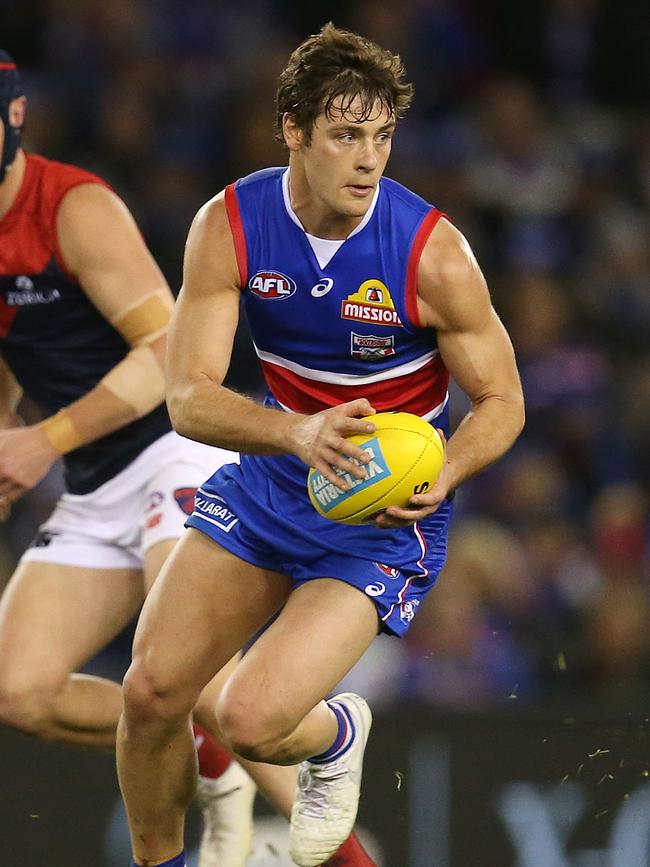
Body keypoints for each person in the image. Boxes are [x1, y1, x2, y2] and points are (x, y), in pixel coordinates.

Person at [116, 22, 525, 867]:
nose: (369, 159)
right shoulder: (229, 225)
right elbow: (187, 397)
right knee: (153, 691)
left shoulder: (433, 253)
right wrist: (296, 431)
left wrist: (446, 469)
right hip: (275, 478)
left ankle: (336, 731)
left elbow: (503, 401)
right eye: (345, 135)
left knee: (252, 720)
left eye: (380, 136)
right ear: (294, 132)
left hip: (379, 515)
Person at [0, 50, 375, 867]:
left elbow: (165, 348)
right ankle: (211, 767)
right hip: (95, 485)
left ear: (14, 118)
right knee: (18, 690)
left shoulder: (71, 207)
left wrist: (42, 441)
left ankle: (355, 858)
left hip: (172, 457)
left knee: (200, 685)